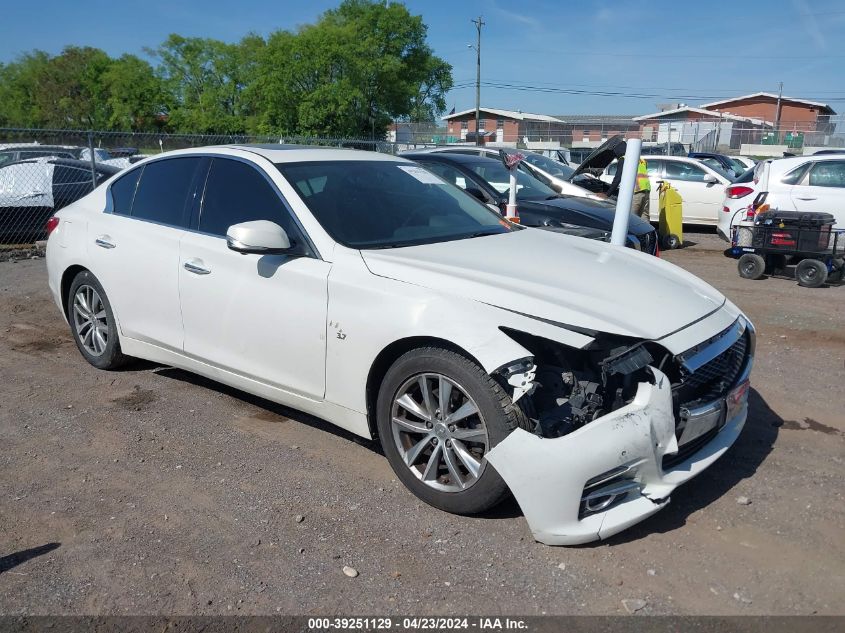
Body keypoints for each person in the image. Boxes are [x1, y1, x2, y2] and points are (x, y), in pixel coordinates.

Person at [607, 154, 652, 221]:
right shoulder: (641, 160)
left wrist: (608, 194)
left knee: (632, 217)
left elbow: (618, 178)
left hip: (636, 190)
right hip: (646, 189)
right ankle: (647, 231)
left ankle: (632, 231)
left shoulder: (624, 159)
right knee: (644, 216)